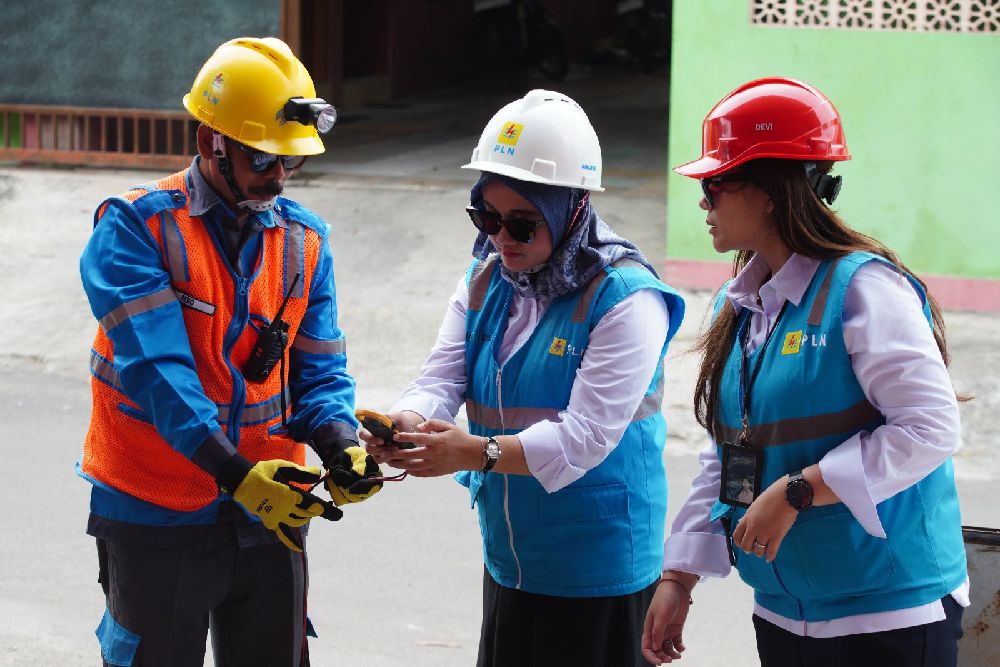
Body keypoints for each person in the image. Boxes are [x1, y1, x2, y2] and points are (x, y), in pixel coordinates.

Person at [641, 77, 968, 666]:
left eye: (715, 184)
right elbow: (731, 453)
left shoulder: (864, 291)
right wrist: (679, 576)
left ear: (769, 191)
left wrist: (798, 492)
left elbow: (930, 429)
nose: (703, 201)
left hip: (887, 615)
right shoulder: (739, 305)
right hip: (785, 610)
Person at [78, 37, 383, 667]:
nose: (277, 179)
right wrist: (237, 474)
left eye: (289, 164)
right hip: (155, 509)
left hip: (270, 508)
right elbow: (159, 374)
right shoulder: (136, 229)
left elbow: (318, 370)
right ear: (208, 141)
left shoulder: (304, 241)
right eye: (262, 160)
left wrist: (338, 443)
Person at [360, 89, 685, 666]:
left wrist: (471, 452)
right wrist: (408, 422)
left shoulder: (627, 299)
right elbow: (442, 374)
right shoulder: (488, 278)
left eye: (521, 223)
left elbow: (585, 438)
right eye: (485, 217)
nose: (500, 238)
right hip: (513, 556)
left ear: (572, 210)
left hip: (599, 569)